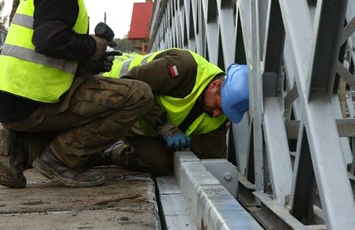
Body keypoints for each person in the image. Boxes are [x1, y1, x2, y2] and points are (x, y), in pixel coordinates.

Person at [0, 0, 155, 189]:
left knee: (94, 102)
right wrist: (93, 47)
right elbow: (48, 39)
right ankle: (59, 161)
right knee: (138, 95)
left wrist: (88, 60)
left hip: (17, 99)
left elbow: (51, 44)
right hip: (34, 99)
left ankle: (19, 148)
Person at [92, 48, 249, 176]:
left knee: (159, 164)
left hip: (141, 127)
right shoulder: (183, 66)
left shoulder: (220, 115)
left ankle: (112, 152)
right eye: (218, 107)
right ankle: (102, 145)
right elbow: (131, 86)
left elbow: (215, 160)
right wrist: (164, 125)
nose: (216, 114)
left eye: (224, 112)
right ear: (214, 85)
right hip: (108, 100)